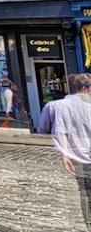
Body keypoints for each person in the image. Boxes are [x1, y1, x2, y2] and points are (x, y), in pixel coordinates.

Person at [39, 73, 91, 230]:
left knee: (85, 194)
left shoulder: (53, 106)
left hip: (74, 157)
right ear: (87, 88)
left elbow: (42, 129)